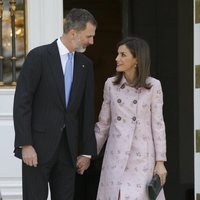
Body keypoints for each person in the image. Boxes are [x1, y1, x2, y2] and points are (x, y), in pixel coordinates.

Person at [13, 8, 97, 200]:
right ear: (73, 33)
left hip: (68, 152)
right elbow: (22, 103)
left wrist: (86, 152)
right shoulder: (38, 57)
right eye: (88, 36)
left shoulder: (85, 65)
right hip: (37, 148)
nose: (91, 42)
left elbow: (86, 110)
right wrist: (25, 144)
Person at [95, 37, 167, 200]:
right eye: (117, 54)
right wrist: (89, 153)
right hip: (115, 156)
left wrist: (160, 161)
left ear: (137, 59)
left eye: (123, 54)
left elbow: (158, 125)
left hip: (142, 157)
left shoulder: (153, 86)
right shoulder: (110, 85)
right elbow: (103, 124)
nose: (117, 58)